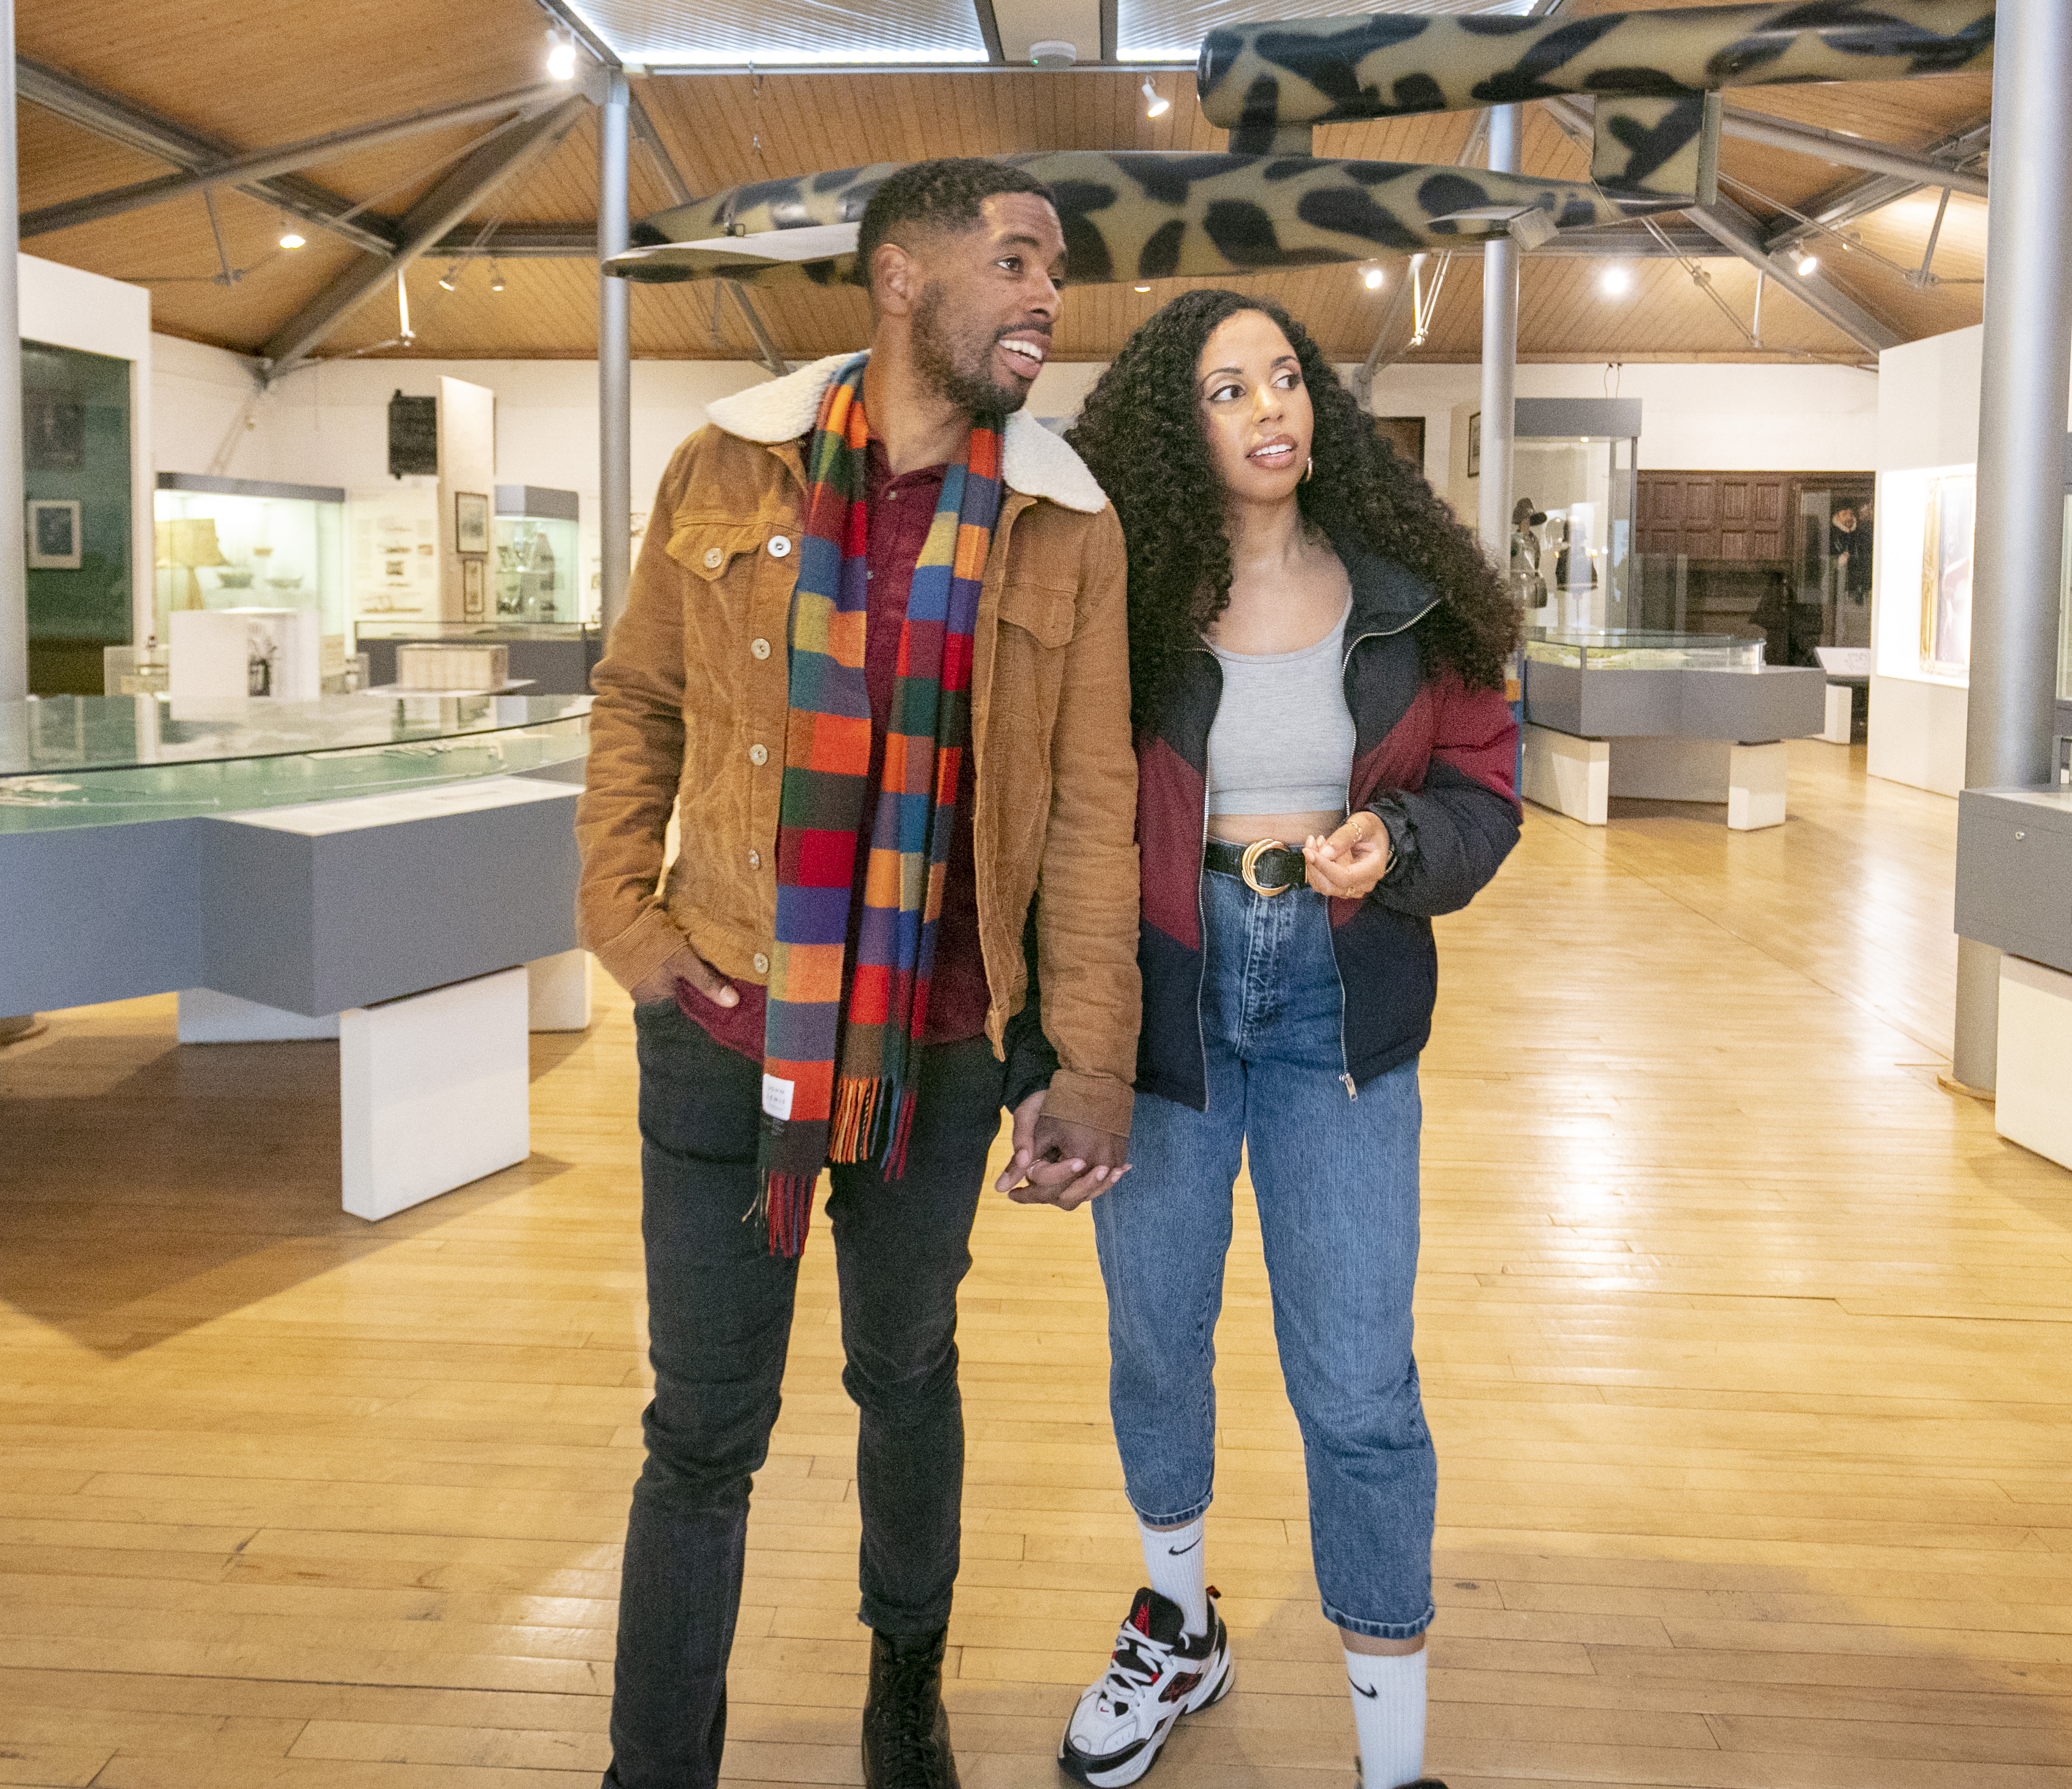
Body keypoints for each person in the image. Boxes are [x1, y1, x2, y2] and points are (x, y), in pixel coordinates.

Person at [576, 158, 1143, 1789]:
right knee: (700, 1431)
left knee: (905, 1373)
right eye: (1017, 259)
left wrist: (1087, 1050)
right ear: (903, 279)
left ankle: (907, 1686)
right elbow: (638, 703)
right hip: (721, 1015)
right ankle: (654, 1764)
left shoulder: (1065, 523)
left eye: (1058, 269)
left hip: (946, 1043)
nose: (1049, 295)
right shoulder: (726, 465)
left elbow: (1094, 805)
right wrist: (631, 925)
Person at [1050, 290, 1521, 1789]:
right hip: (1166, 999)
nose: (1269, 407)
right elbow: (1056, 819)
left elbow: (1484, 788)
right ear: (1170, 429)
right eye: (1225, 386)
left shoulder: (1405, 593)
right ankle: (1177, 1627)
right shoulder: (1118, 598)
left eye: (1284, 376)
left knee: (1362, 1382)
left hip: (1340, 1001)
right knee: (1155, 1341)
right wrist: (1052, 1051)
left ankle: (1396, 1765)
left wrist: (1398, 839)